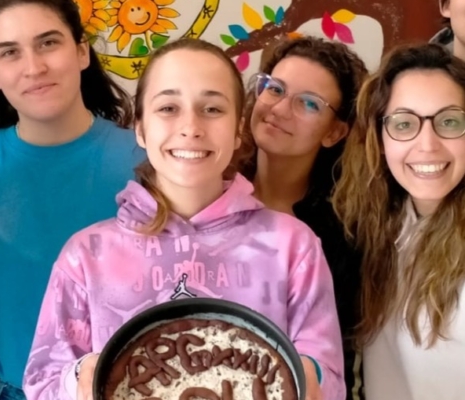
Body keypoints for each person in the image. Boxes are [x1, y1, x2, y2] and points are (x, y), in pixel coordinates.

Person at [23, 37, 345, 400]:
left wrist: (310, 377)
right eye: (168, 108)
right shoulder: (86, 255)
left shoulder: (292, 246)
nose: (191, 127)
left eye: (212, 109)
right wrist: (79, 378)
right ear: (140, 128)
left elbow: (330, 378)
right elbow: (41, 383)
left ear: (238, 129)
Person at [0, 0, 145, 397]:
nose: (34, 67)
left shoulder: (151, 165)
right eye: (10, 52)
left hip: (125, 386)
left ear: (82, 52)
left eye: (48, 43)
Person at [332, 42, 465, 400]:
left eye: (450, 121)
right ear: (379, 138)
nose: (428, 144)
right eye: (404, 124)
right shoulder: (376, 228)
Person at [240, 36, 367, 400]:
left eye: (308, 103)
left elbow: (335, 359)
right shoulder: (208, 193)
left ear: (335, 132)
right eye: (275, 89)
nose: (280, 109)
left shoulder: (342, 235)